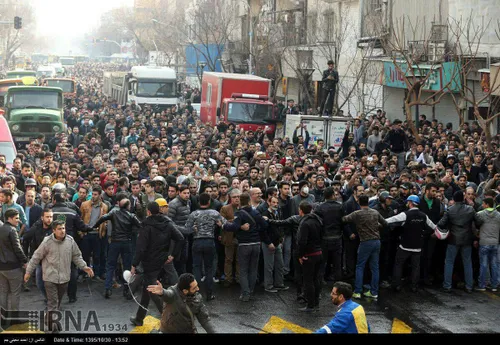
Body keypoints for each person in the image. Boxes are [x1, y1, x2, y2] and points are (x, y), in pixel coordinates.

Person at [24, 220, 94, 333]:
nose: (62, 231)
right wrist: (28, 272)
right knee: (53, 303)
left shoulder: (70, 241)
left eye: (63, 228)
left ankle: (47, 320)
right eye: (60, 229)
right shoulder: (47, 242)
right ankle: (54, 327)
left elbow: (76, 256)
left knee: (57, 303)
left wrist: (85, 267)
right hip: (50, 278)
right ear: (54, 230)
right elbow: (36, 257)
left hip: (64, 278)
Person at [130, 202, 184, 327]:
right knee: (147, 288)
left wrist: (134, 264)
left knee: (152, 290)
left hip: (149, 261)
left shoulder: (146, 225)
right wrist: (172, 255)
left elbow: (141, 248)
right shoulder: (167, 223)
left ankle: (169, 318)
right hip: (161, 260)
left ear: (148, 212)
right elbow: (180, 238)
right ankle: (139, 318)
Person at [385, 195, 440, 292]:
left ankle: (396, 285)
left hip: (405, 246)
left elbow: (390, 220)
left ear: (410, 203)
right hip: (418, 246)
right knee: (416, 267)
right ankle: (414, 286)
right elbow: (434, 227)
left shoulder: (405, 214)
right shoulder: (424, 216)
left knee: (398, 264)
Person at [94, 196, 141, 299]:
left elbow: (102, 218)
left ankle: (107, 288)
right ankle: (127, 290)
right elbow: (140, 226)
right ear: (128, 206)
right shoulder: (131, 216)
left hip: (115, 242)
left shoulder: (114, 213)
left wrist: (94, 226)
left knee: (110, 265)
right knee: (127, 267)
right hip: (126, 242)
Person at [342, 195, 388, 299]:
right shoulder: (375, 212)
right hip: (376, 241)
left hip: (365, 242)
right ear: (368, 202)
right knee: (375, 268)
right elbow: (385, 223)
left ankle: (358, 291)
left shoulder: (357, 213)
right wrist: (376, 227)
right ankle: (374, 292)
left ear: (358, 202)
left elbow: (344, 219)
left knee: (360, 266)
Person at [223, 192, 267, 302]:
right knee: (253, 269)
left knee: (243, 270)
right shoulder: (255, 212)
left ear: (240, 202)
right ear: (248, 201)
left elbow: (234, 227)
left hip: (244, 245)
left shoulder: (239, 213)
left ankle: (246, 293)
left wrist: (223, 225)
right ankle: (251, 292)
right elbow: (265, 225)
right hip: (256, 244)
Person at [185, 193, 225, 301]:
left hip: (197, 242)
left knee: (196, 268)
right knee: (209, 268)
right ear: (209, 202)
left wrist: (194, 229)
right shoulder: (214, 213)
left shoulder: (194, 214)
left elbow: (187, 229)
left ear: (199, 202)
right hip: (209, 241)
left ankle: (196, 294)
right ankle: (209, 293)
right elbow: (224, 224)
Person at [146, 273, 215, 334]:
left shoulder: (197, 298)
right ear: (185, 291)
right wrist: (162, 292)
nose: (198, 289)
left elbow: (205, 320)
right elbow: (168, 294)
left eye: (197, 285)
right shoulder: (173, 294)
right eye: (194, 288)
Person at [437, 191, 478, 293]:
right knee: (467, 263)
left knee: (449, 262)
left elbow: (441, 224)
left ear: (454, 199)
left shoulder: (450, 210)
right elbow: (478, 221)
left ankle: (447, 285)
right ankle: (469, 286)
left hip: (453, 239)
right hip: (467, 239)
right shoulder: (470, 209)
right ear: (463, 198)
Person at [296, 201, 323, 312]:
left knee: (308, 280)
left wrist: (301, 255)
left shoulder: (304, 223)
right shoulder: (318, 220)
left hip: (309, 255)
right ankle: (316, 302)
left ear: (301, 211)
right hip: (319, 253)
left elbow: (302, 242)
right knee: (316, 279)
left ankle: (310, 305)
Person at [314, 187, 345, 283]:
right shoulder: (340, 206)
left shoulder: (320, 208)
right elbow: (343, 221)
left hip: (324, 238)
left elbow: (317, 223)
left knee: (322, 262)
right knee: (337, 263)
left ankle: (320, 280)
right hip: (337, 237)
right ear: (332, 195)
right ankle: (338, 283)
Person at [0, 209, 28, 314]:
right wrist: (25, 261)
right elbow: (17, 248)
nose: (18, 220)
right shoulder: (12, 230)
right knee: (15, 293)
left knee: (3, 292)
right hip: (13, 267)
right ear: (9, 218)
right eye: (16, 218)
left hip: (1, 267)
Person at [474, 197, 500, 292]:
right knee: (494, 265)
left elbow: (475, 223)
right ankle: (494, 286)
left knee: (483, 265)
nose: (482, 205)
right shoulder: (499, 215)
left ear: (487, 205)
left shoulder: (480, 214)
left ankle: (482, 285)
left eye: (483, 204)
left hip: (484, 242)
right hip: (495, 242)